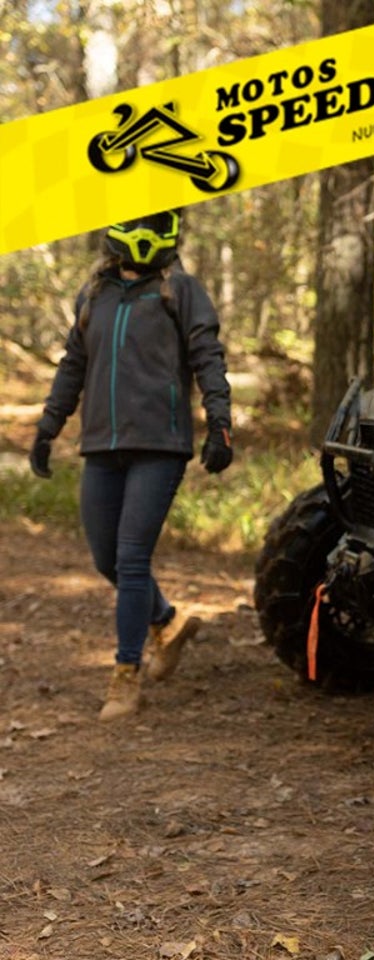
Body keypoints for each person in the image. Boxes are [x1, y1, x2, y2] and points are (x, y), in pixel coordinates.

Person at [29, 209, 233, 721]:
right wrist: (48, 427)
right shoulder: (94, 294)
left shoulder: (180, 291)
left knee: (132, 558)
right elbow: (74, 365)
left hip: (160, 446)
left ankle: (126, 676)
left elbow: (208, 357)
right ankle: (167, 621)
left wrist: (220, 423)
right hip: (101, 445)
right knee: (107, 560)